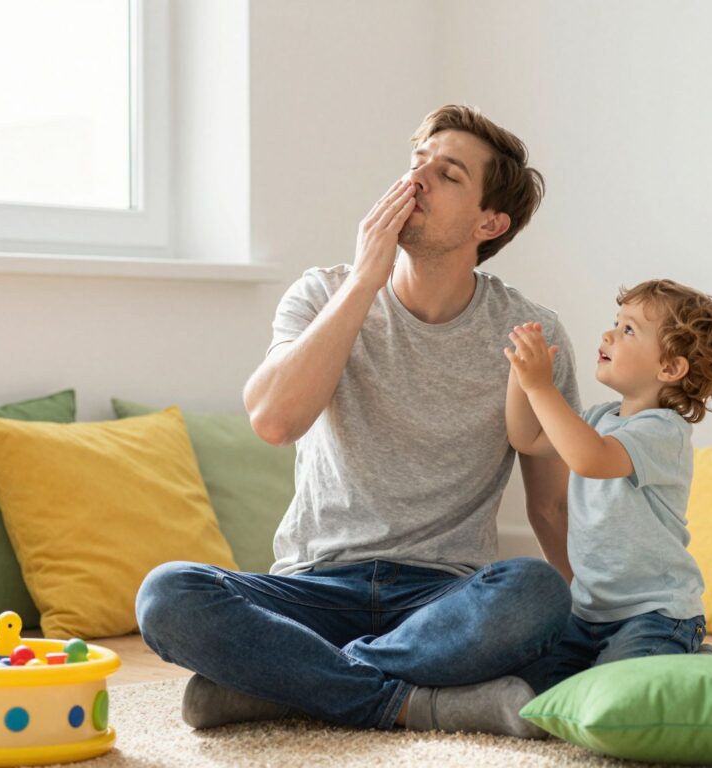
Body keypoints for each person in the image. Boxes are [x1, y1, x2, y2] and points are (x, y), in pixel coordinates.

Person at [135, 105, 581, 738]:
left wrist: (586, 613)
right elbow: (272, 419)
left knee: (536, 594)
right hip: (312, 590)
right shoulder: (323, 294)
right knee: (168, 595)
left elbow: (551, 506)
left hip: (443, 602)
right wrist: (366, 280)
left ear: (491, 221)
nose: (416, 180)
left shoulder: (529, 332)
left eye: (448, 174)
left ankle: (283, 689)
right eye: (415, 163)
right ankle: (415, 703)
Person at [504, 279, 712, 693]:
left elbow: (591, 459)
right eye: (615, 322)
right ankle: (670, 659)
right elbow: (526, 439)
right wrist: (519, 374)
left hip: (655, 613)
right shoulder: (599, 418)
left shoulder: (664, 431)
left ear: (669, 369)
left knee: (622, 690)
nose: (609, 334)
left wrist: (540, 386)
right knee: (533, 688)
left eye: (628, 329)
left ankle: (692, 659)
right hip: (588, 613)